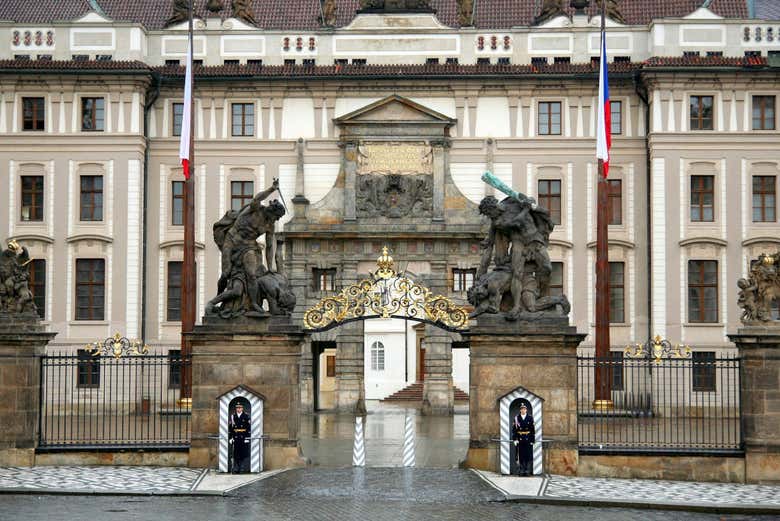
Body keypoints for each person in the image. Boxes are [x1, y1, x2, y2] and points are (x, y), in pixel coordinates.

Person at [512, 403, 535, 476]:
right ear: (520, 410)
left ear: (526, 410)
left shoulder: (530, 418)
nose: (523, 410)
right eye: (522, 409)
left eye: (524, 409)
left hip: (528, 439)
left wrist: (532, 440)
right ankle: (521, 470)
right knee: (521, 455)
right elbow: (514, 430)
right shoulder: (516, 418)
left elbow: (532, 430)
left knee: (528, 455)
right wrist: (514, 439)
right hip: (520, 439)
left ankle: (527, 471)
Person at [229, 403, 251, 473]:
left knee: (243, 453)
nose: (238, 409)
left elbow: (248, 428)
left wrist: (247, 438)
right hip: (235, 436)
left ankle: (241, 467)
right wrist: (230, 437)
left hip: (243, 436)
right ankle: (237, 467)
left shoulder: (246, 416)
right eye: (237, 408)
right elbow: (231, 428)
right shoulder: (233, 416)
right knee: (236, 453)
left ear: (242, 408)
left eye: (240, 408)